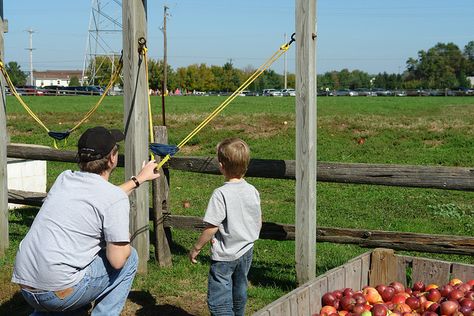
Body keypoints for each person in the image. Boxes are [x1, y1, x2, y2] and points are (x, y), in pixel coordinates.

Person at [11, 126, 160, 315]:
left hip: (25, 285)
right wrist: (123, 240)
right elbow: (117, 261)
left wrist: (138, 180)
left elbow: (102, 197)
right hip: (57, 293)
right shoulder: (113, 198)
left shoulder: (64, 179)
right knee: (130, 258)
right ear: (112, 158)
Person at [189, 138, 262, 316]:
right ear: (246, 165)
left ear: (221, 165)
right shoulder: (252, 190)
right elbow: (258, 219)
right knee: (240, 288)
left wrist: (196, 247)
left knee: (219, 298)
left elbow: (212, 226)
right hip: (246, 250)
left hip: (225, 254)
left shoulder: (221, 194)